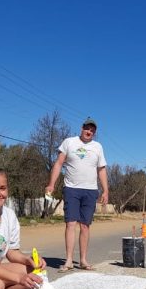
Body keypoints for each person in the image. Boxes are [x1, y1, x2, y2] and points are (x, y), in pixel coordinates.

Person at [45, 116, 109, 272]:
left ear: (94, 132)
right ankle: (68, 261)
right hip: (71, 188)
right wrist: (51, 184)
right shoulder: (69, 142)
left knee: (85, 226)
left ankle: (83, 260)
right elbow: (59, 163)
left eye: (92, 130)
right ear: (82, 128)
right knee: (71, 224)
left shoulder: (98, 147)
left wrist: (106, 190)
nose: (89, 131)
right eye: (87, 128)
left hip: (90, 190)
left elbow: (101, 169)